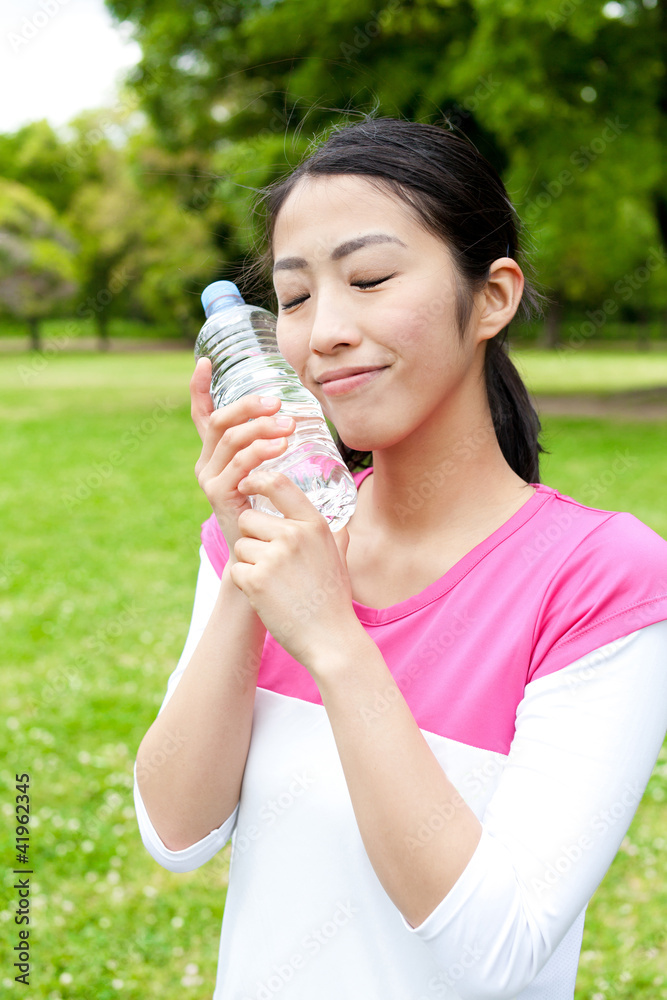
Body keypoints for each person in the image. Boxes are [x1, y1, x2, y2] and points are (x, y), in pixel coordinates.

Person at [133, 118, 667, 999]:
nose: (325, 332)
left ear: (491, 297)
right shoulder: (267, 544)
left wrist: (333, 643)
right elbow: (176, 831)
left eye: (370, 279)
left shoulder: (601, 579)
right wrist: (246, 566)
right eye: (296, 298)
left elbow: (496, 955)